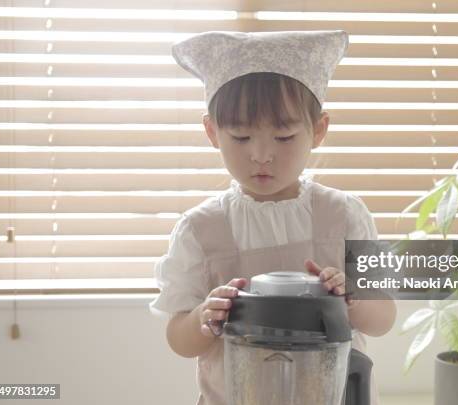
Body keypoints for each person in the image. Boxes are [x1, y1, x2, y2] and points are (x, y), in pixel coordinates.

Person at [149, 30, 396, 405]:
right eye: (242, 137)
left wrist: (353, 299)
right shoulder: (200, 229)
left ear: (318, 131)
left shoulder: (344, 214)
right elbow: (179, 339)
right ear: (213, 132)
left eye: (283, 138)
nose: (262, 155)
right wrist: (205, 315)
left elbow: (384, 319)